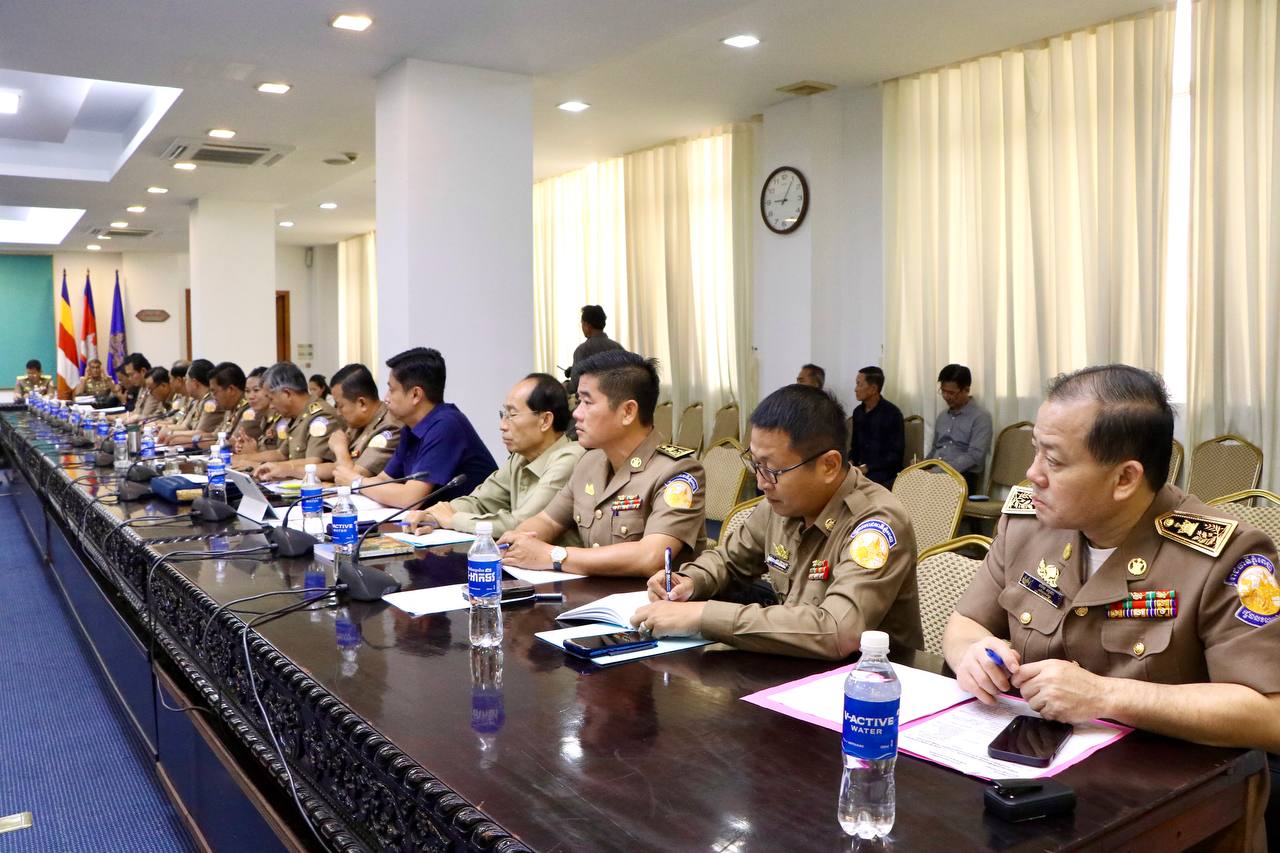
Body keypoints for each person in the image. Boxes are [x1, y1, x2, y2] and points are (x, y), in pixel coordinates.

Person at [943, 365, 1280, 763]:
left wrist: (1106, 696)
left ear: (1125, 479)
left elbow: (1269, 715)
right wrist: (972, 655)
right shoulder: (1027, 524)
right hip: (1029, 762)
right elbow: (966, 622)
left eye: (1054, 460)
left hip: (1165, 782)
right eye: (1036, 450)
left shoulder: (1228, 556)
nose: (1032, 473)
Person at [631, 384, 922, 658]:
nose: (761, 482)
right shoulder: (781, 505)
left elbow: (837, 630)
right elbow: (728, 561)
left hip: (874, 682)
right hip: (796, 670)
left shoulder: (876, 524)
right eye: (755, 464)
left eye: (772, 470)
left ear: (829, 466)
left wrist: (703, 616)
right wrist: (689, 581)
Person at [499, 350, 706, 577]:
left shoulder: (678, 472)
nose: (577, 413)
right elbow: (548, 520)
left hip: (648, 598)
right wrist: (520, 540)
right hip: (587, 594)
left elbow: (651, 556)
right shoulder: (589, 462)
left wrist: (554, 556)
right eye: (578, 401)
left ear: (628, 412)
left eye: (587, 402)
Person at [409, 373, 585, 540]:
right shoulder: (520, 457)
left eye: (512, 415)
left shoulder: (569, 458)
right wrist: (433, 515)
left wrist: (453, 520)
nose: (503, 425)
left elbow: (523, 524)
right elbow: (480, 502)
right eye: (503, 414)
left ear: (545, 420)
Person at [344, 348, 496, 508]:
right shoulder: (410, 428)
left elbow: (410, 499)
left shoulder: (447, 425)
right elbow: (384, 480)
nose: (386, 398)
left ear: (416, 394)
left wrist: (357, 483)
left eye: (392, 390)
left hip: (477, 520)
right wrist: (356, 484)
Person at [246, 362, 343, 479]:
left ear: (287, 393)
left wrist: (275, 468)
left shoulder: (321, 417)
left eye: (271, 399)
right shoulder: (296, 415)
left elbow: (314, 463)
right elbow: (281, 453)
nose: (271, 406)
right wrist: (243, 460)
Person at [320, 363, 401, 483]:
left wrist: (340, 449)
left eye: (340, 406)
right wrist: (295, 469)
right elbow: (335, 467)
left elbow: (351, 480)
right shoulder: (357, 423)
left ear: (362, 403)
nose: (338, 413)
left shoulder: (390, 429)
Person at [927, 363, 992, 492]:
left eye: (951, 393)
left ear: (966, 390)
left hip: (961, 477)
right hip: (935, 473)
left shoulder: (980, 417)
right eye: (943, 391)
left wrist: (938, 471)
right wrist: (922, 464)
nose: (946, 396)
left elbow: (974, 456)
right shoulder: (942, 417)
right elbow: (935, 449)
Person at [849, 366, 905, 488]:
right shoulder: (857, 412)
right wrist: (850, 462)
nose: (855, 389)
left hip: (885, 471)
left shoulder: (892, 413)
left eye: (859, 384)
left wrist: (867, 467)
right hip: (861, 470)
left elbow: (895, 455)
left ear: (873, 389)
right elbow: (855, 446)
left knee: (861, 486)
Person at [158, 359, 222, 442]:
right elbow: (185, 426)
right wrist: (164, 428)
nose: (185, 383)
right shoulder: (197, 401)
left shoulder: (211, 403)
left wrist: (171, 433)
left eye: (186, 380)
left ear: (195, 383)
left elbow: (201, 432)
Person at [565, 304, 623, 395]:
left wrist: (563, 385)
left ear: (587, 325)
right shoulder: (618, 348)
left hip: (592, 401)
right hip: (616, 398)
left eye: (582, 323)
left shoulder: (582, 350)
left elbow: (575, 385)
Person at [231, 367, 278, 452]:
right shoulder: (264, 418)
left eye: (256, 390)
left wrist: (253, 453)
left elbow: (282, 456)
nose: (251, 396)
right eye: (247, 391)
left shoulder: (281, 420)